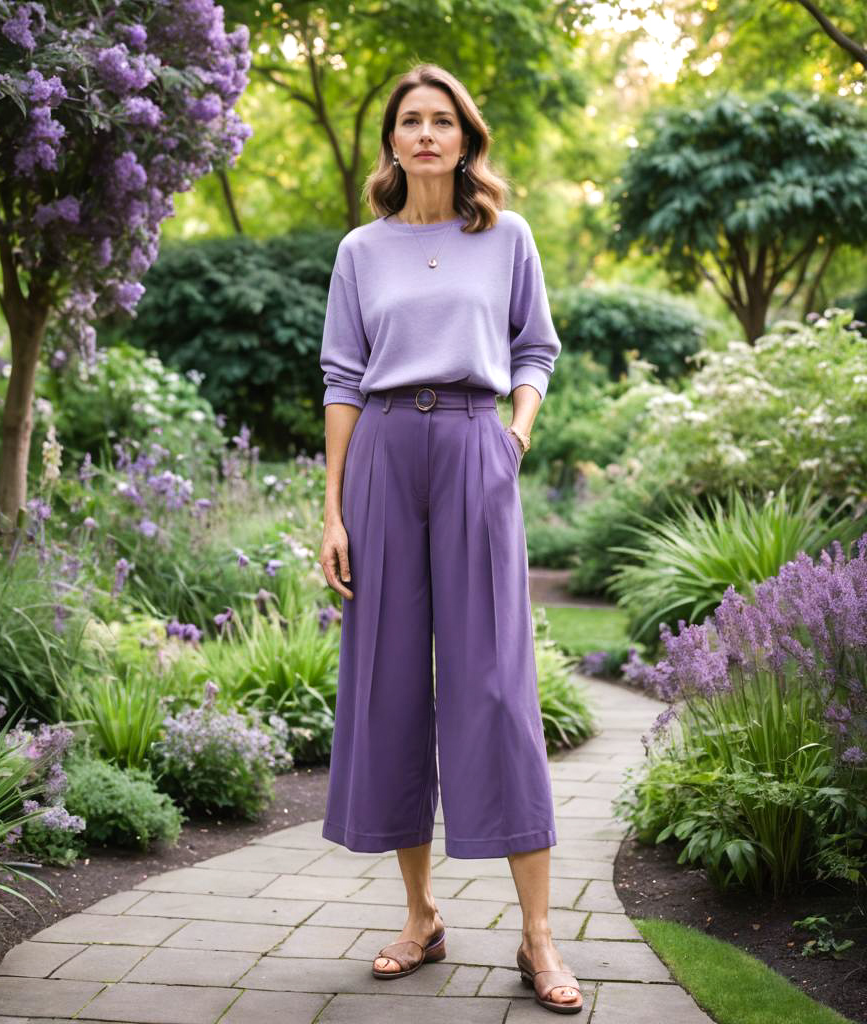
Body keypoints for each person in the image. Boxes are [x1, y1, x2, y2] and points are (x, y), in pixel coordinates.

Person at [316, 63, 582, 1014]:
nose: (425, 134)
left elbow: (536, 348)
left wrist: (513, 435)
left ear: (466, 139)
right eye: (409, 121)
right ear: (391, 141)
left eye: (442, 120)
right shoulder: (360, 250)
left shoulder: (506, 238)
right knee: (389, 683)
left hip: (476, 446)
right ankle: (422, 916)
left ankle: (539, 936)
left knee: (497, 686)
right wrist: (335, 509)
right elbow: (343, 377)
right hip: (386, 452)